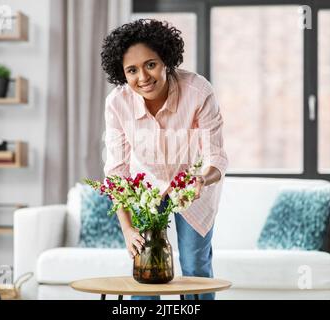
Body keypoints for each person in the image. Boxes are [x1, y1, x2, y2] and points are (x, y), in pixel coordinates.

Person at [100, 19, 228, 300]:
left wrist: (201, 179)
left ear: (165, 60)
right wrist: (127, 228)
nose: (143, 77)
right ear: (122, 73)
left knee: (195, 266)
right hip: (147, 191)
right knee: (147, 267)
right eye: (131, 70)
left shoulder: (198, 91)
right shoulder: (117, 103)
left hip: (193, 190)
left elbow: (216, 156)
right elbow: (116, 172)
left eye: (151, 64)